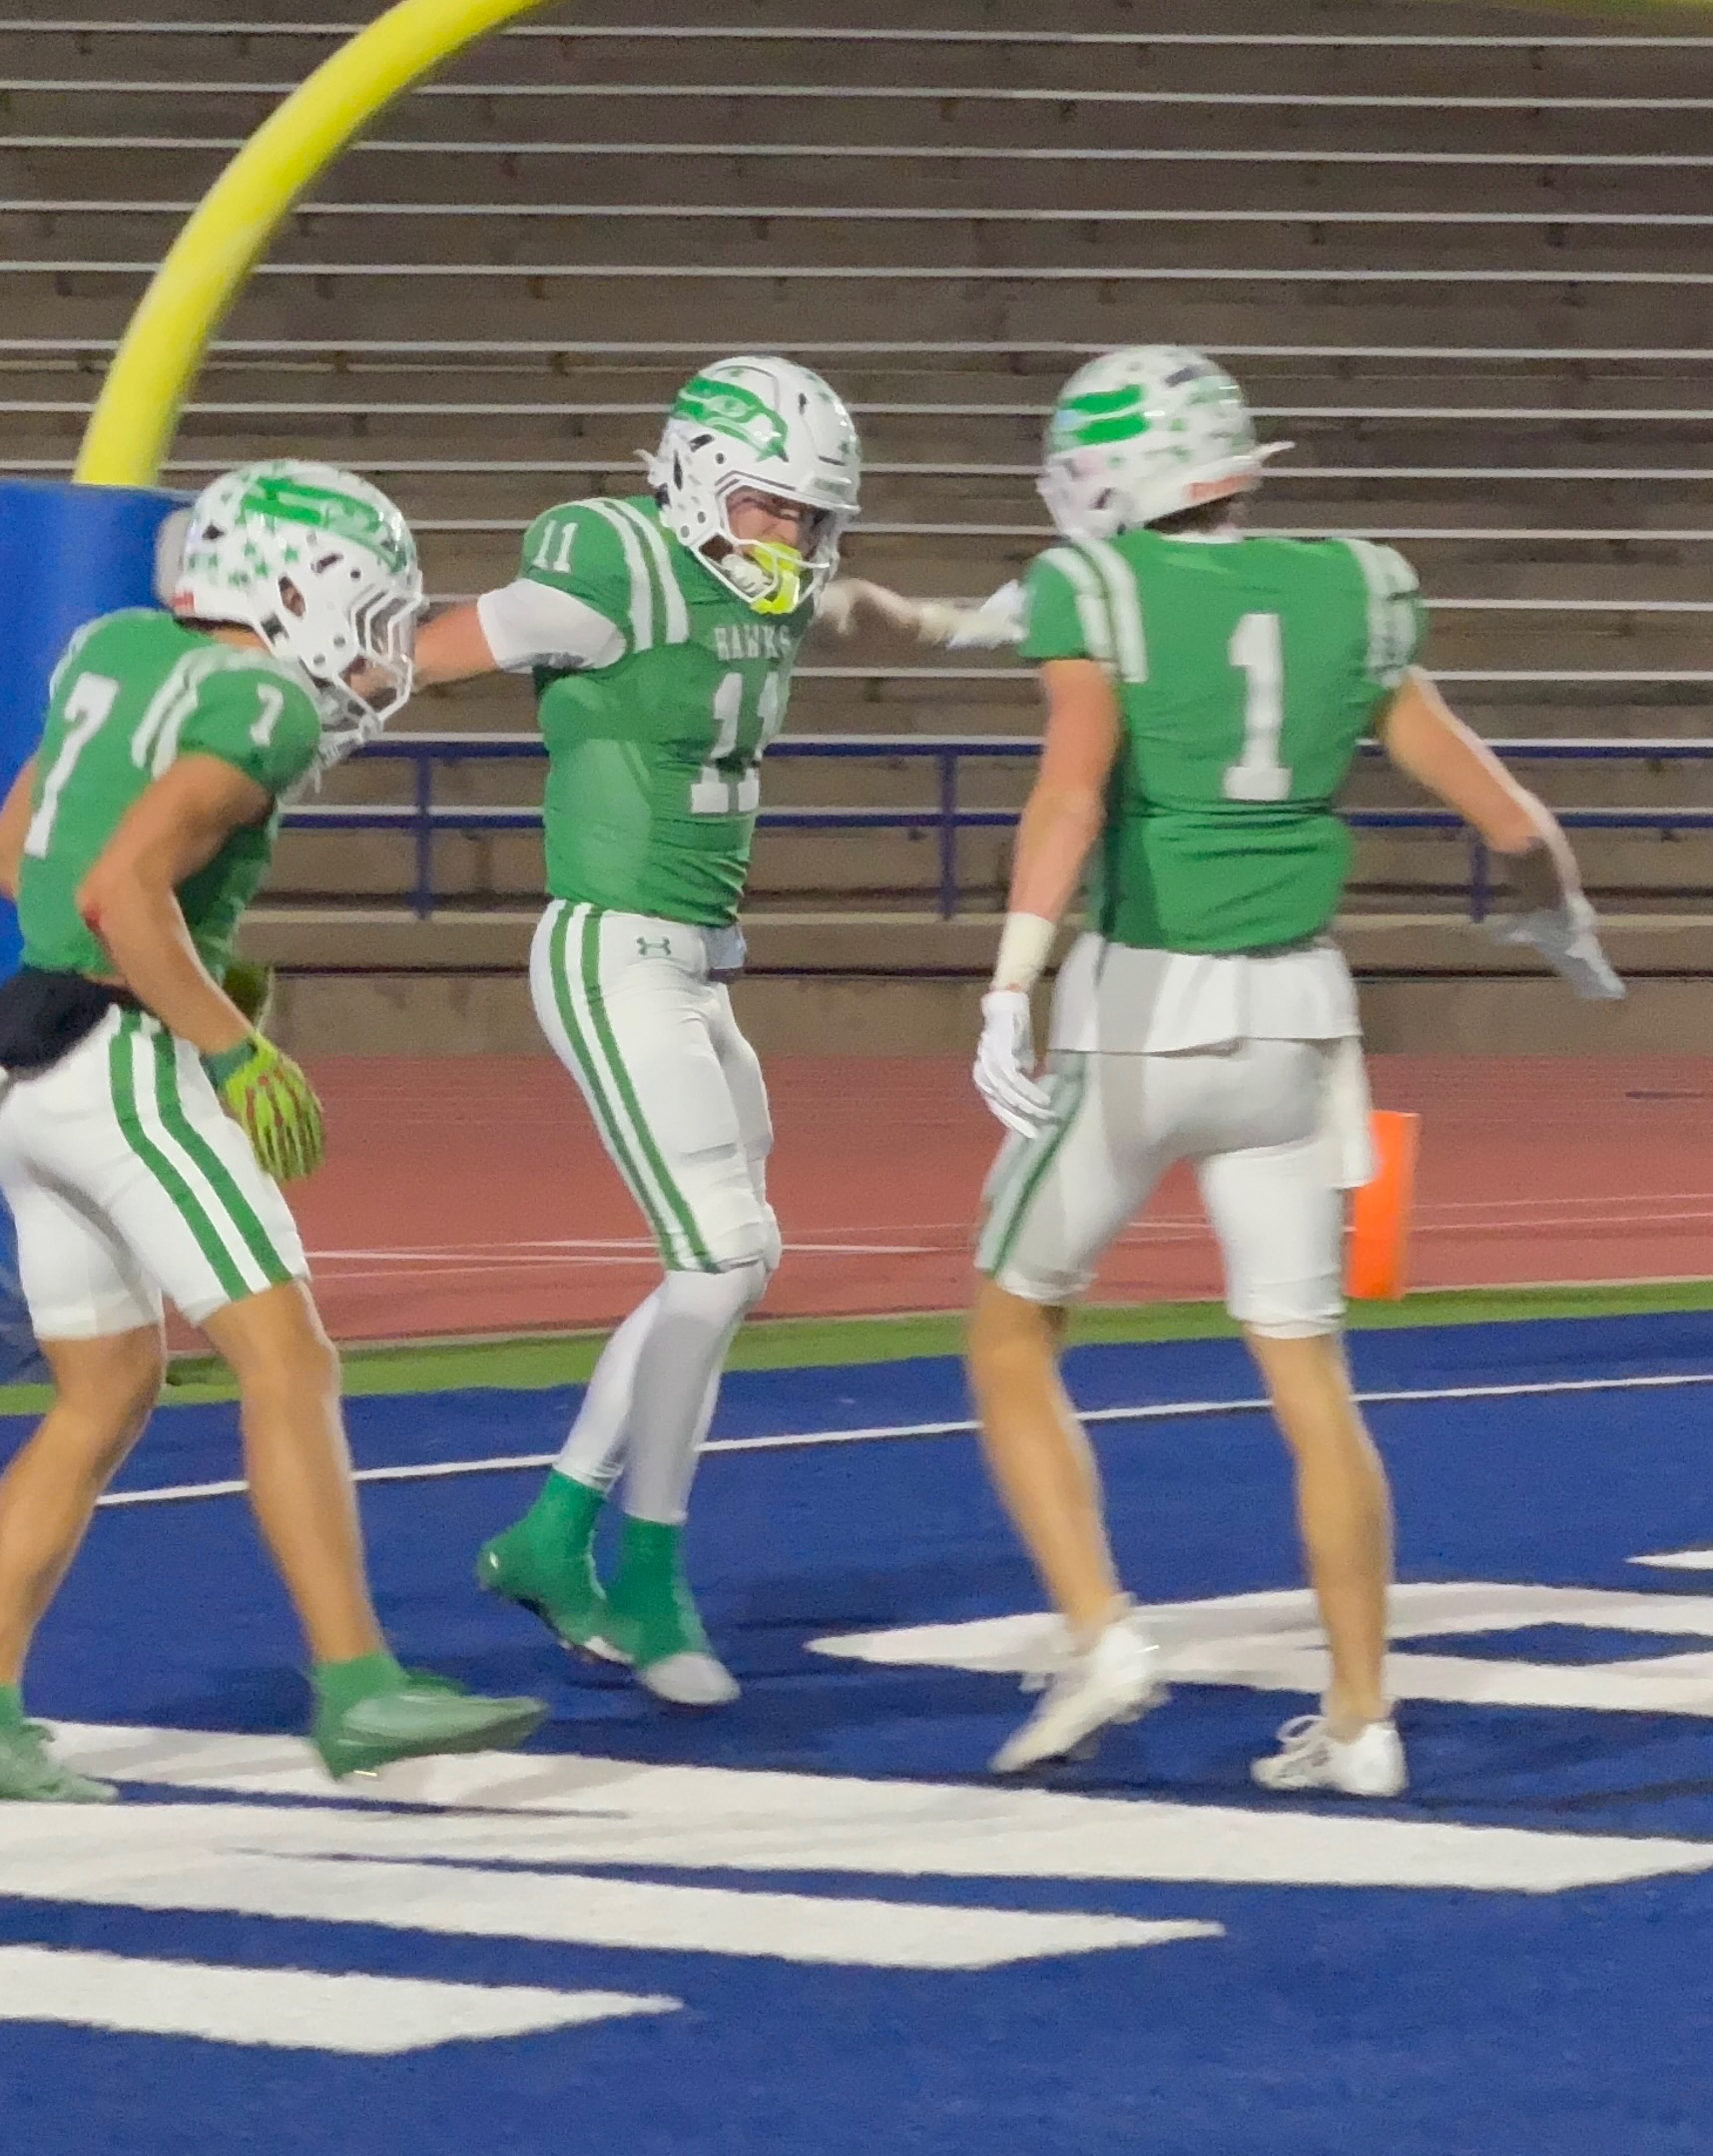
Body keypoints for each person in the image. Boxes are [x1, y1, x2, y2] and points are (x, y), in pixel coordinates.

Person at [960, 345, 1625, 1795]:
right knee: (1311, 1379)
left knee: (1012, 1329)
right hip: (1300, 1027)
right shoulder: (1345, 587)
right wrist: (1559, 915)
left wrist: (1011, 981)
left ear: (1112, 476)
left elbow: (1073, 790)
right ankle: (1364, 1718)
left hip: (1145, 1009)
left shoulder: (1104, 589)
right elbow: (1506, 815)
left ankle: (1101, 1631)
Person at [0, 459, 551, 1800]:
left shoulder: (116, 652)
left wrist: (188, 966)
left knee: (106, 1395)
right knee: (287, 1360)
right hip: (121, 1071)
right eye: (365, 610)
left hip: (20, 1072)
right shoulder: (255, 699)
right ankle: (360, 1684)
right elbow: (124, 889)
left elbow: (12, 860)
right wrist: (228, 1039)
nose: (377, 647)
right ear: (295, 588)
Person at [409, 357, 1007, 1707]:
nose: (784, 539)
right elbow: (436, 652)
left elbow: (847, 602)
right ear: (688, 478)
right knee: (720, 1254)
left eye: (805, 518)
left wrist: (937, 618)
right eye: (763, 509)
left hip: (694, 964)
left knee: (733, 1261)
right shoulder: (609, 565)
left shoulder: (764, 584)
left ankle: (555, 1533)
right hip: (610, 944)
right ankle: (649, 1575)